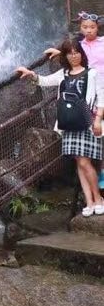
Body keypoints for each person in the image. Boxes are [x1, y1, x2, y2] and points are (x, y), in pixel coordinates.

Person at [17, 36, 104, 217]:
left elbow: (101, 98)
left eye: (76, 52)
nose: (74, 56)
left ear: (82, 54)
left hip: (87, 122)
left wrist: (98, 120)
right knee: (79, 163)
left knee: (85, 162)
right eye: (70, 54)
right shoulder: (63, 74)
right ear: (65, 56)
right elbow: (44, 81)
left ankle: (98, 199)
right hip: (68, 124)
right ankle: (88, 202)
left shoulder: (92, 73)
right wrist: (30, 74)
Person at [46, 14, 104, 189]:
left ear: (98, 27)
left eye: (92, 27)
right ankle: (98, 172)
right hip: (90, 94)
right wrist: (59, 53)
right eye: (85, 27)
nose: (88, 30)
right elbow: (73, 55)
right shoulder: (81, 45)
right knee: (97, 131)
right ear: (80, 28)